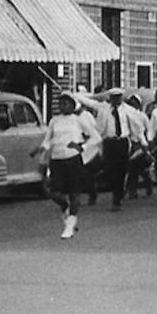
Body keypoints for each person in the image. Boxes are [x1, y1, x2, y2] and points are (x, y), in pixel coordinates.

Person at [31, 92, 100, 239]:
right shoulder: (54, 121)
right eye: (61, 103)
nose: (63, 106)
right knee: (54, 193)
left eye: (66, 103)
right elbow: (48, 139)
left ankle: (70, 225)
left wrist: (82, 147)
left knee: (74, 193)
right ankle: (65, 206)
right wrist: (40, 148)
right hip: (57, 159)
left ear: (73, 105)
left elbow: (96, 137)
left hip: (73, 159)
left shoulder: (78, 120)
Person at [75, 87, 137, 211]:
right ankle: (117, 191)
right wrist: (74, 94)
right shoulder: (103, 108)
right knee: (110, 170)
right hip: (109, 142)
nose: (116, 100)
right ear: (110, 98)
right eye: (114, 97)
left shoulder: (128, 110)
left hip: (122, 142)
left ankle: (117, 199)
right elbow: (89, 102)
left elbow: (136, 126)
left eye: (118, 97)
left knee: (121, 170)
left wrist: (140, 140)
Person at [125, 93, 153, 200]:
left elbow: (148, 128)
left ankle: (147, 185)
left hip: (141, 143)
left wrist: (147, 142)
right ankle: (133, 191)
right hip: (132, 143)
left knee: (141, 167)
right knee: (133, 169)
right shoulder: (127, 115)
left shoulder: (142, 116)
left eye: (134, 102)